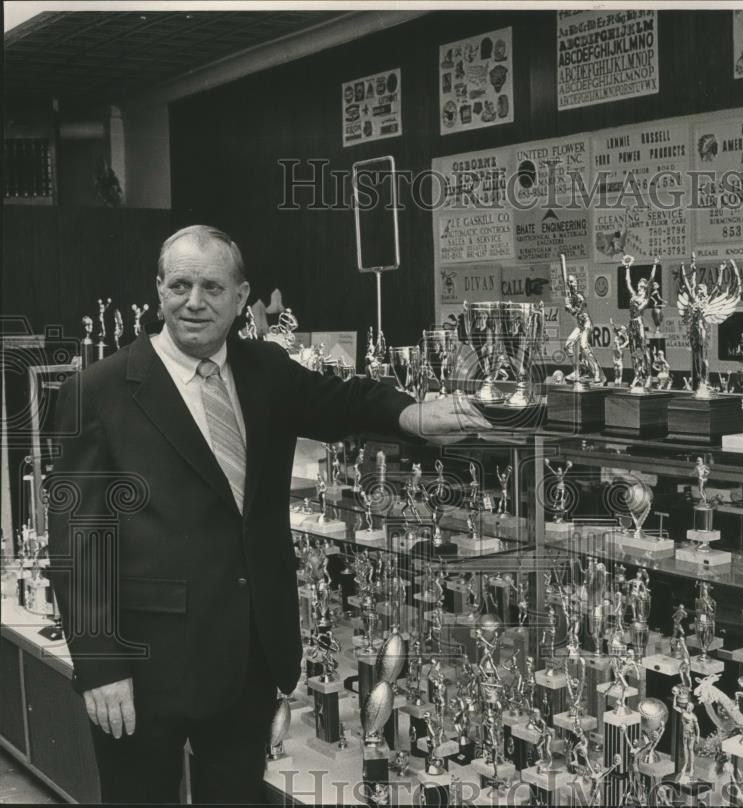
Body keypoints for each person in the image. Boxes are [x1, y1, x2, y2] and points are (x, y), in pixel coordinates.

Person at [47, 225, 490, 804]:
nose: (194, 301)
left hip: (250, 659)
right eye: (179, 284)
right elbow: (77, 541)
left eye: (212, 285)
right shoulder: (97, 391)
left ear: (240, 295)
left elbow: (344, 398)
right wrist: (101, 665)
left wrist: (413, 415)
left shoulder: (266, 370)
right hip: (145, 669)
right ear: (158, 290)